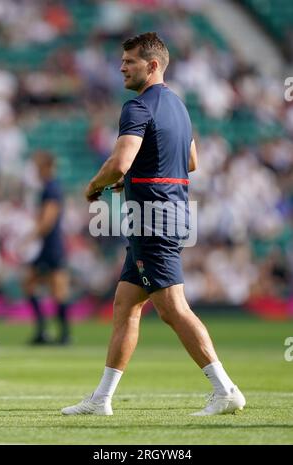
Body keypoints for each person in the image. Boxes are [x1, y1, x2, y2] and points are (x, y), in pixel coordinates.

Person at [62, 32, 245, 416]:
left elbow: (119, 163)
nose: (122, 67)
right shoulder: (178, 106)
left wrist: (94, 187)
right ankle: (101, 399)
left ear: (153, 65)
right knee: (126, 304)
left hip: (152, 219)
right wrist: (137, 176)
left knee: (171, 308)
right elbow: (190, 161)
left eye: (129, 61)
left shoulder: (137, 107)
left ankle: (225, 388)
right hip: (169, 213)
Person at [23, 151, 71, 345]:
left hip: (50, 246)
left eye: (37, 166)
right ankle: (54, 332)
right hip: (50, 245)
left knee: (55, 288)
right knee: (35, 285)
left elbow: (47, 221)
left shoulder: (51, 189)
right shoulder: (50, 188)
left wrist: (27, 238)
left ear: (46, 167)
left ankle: (57, 334)